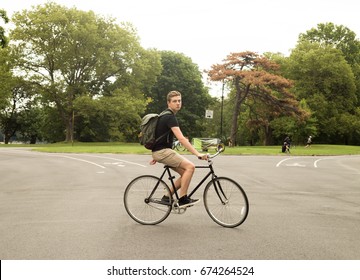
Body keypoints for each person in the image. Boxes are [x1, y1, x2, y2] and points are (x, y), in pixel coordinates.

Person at [150, 90, 208, 208]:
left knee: (184, 174)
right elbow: (181, 139)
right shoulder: (170, 117)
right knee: (190, 167)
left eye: (179, 101)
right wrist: (198, 154)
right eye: (175, 101)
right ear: (168, 103)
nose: (178, 103)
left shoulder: (165, 115)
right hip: (162, 152)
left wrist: (157, 154)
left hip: (161, 152)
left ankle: (167, 197)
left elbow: (159, 135)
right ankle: (182, 199)